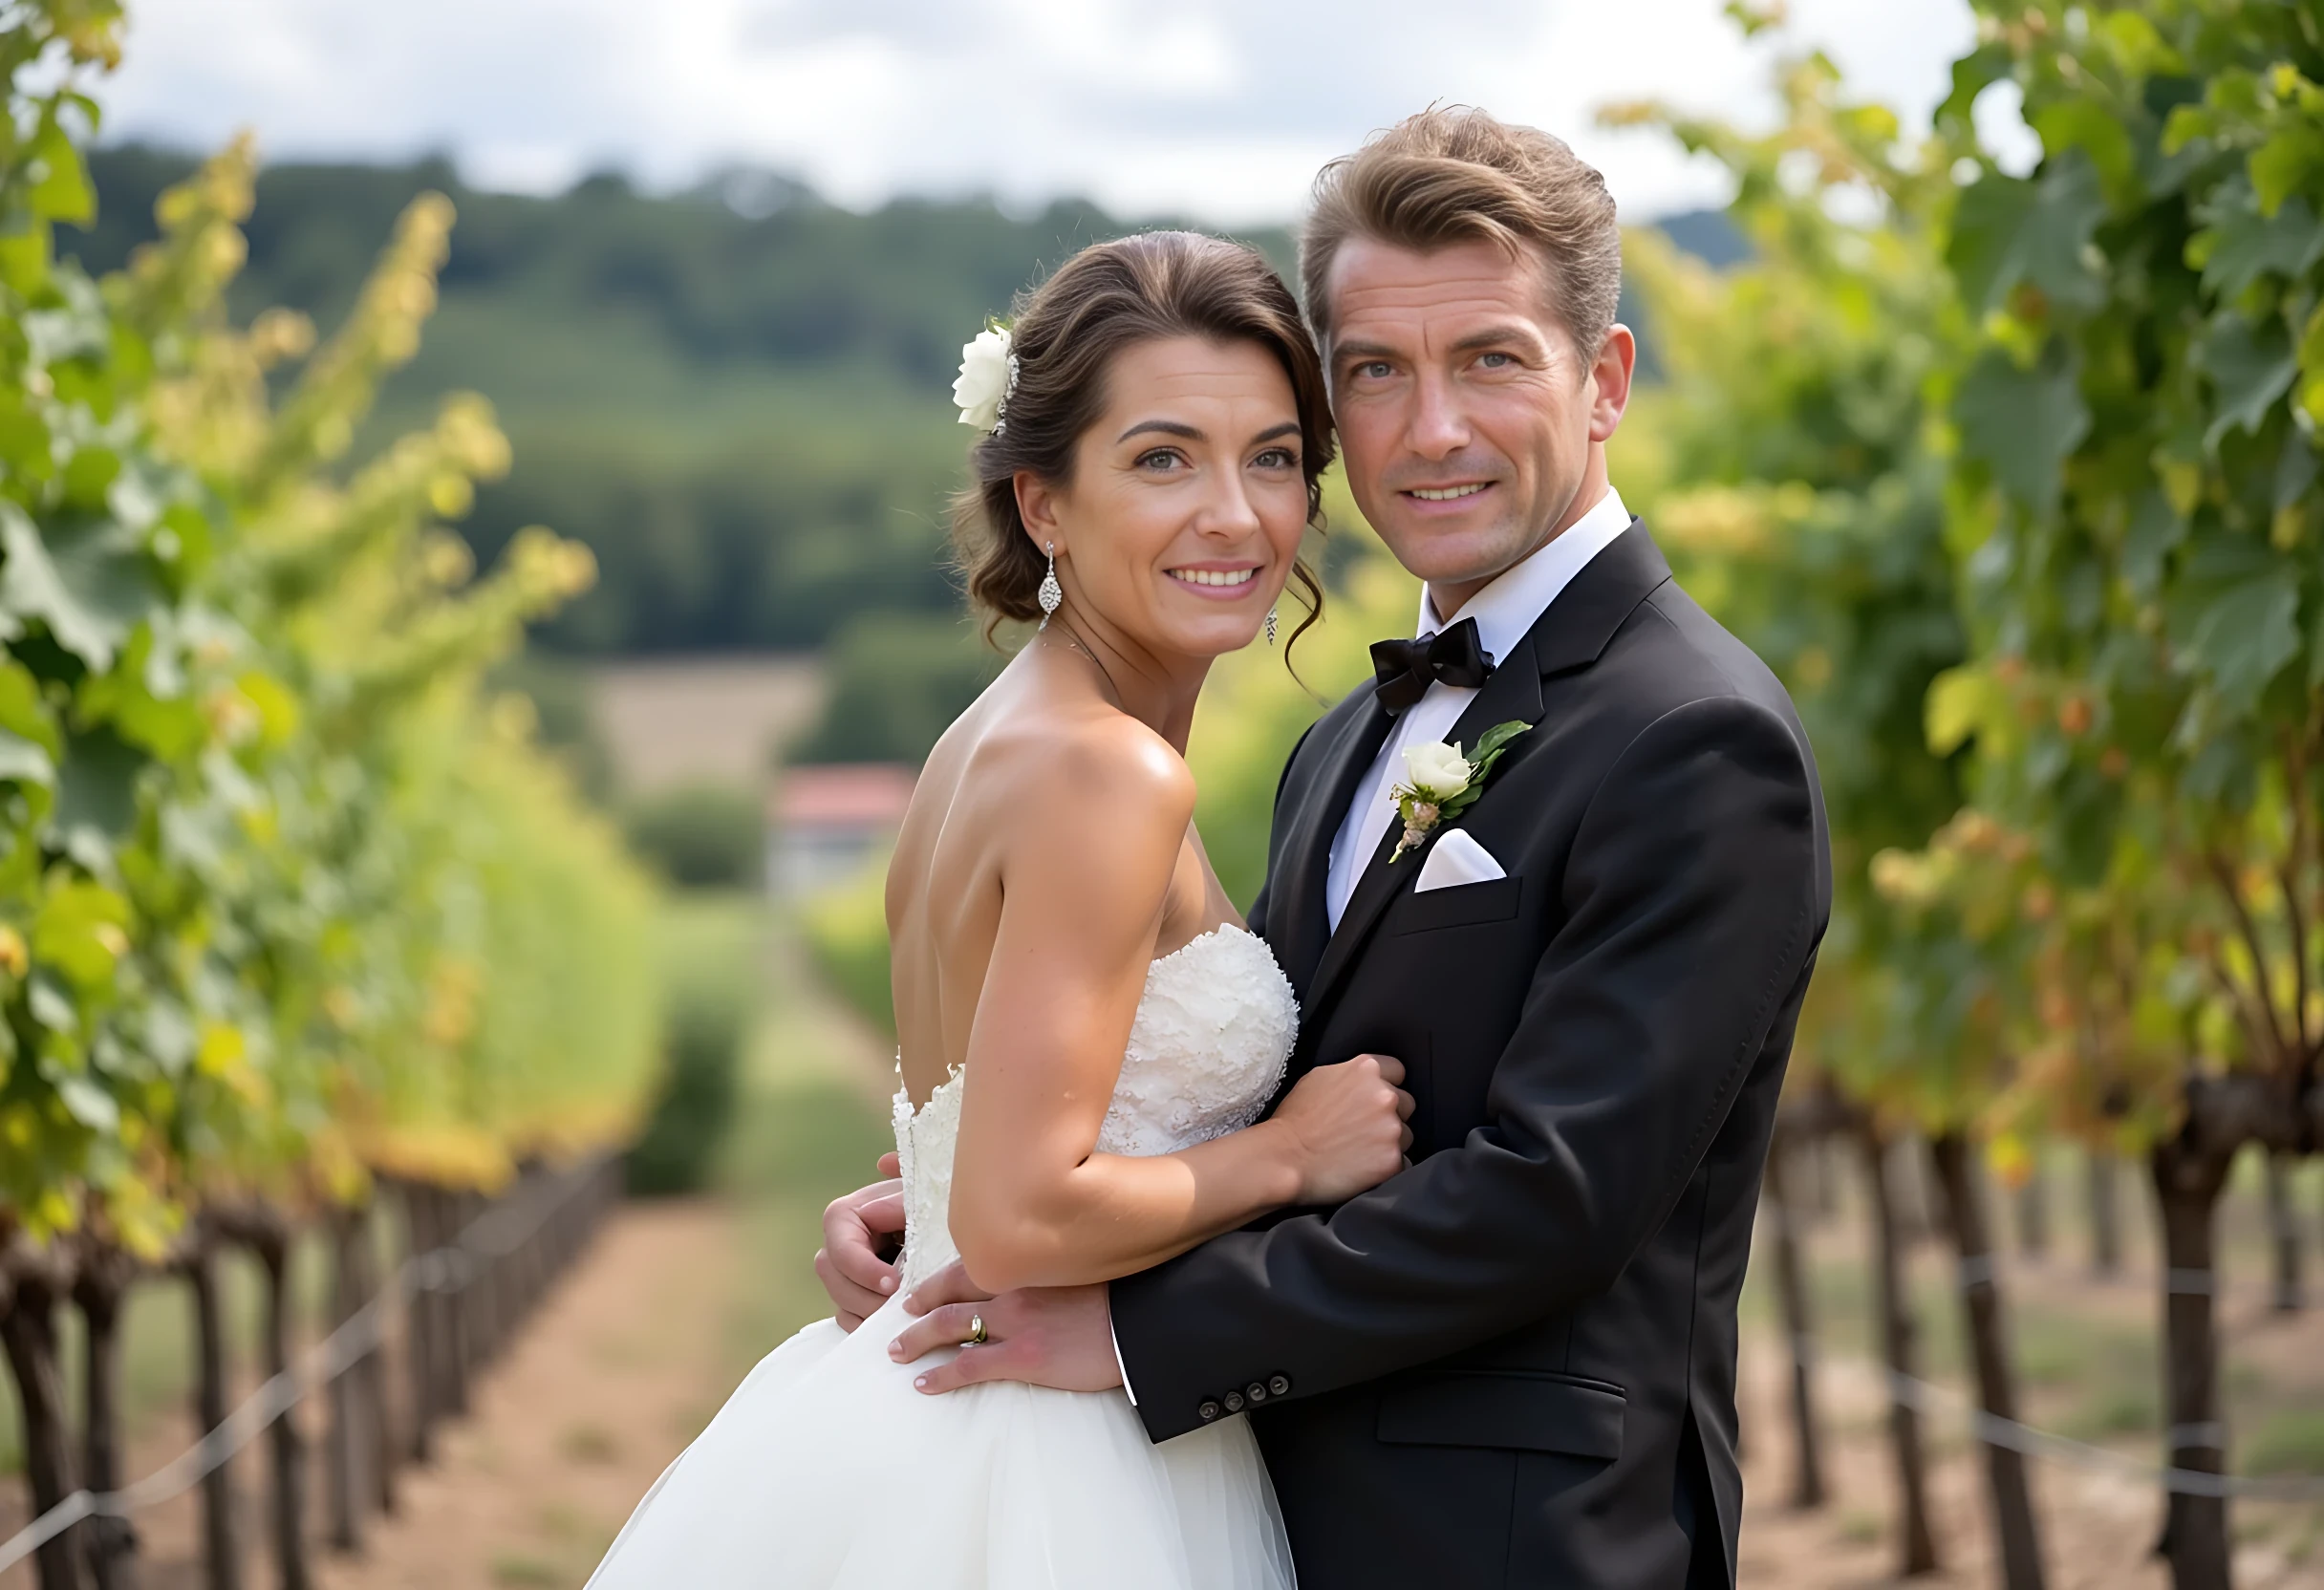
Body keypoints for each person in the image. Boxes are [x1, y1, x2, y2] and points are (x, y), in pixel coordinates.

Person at [820, 107, 1833, 1590]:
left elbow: (1551, 1200)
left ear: (1603, 381)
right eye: (1374, 372)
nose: (1429, 430)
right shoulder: (1338, 741)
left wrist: (1129, 1333)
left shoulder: (1697, 737)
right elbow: (1246, 1101)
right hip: (1253, 1510)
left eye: (1488, 358)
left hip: (1511, 1545)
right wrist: (957, 1200)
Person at [586, 229, 1417, 1590]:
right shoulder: (1108, 770)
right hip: (1049, 1453)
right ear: (1045, 504)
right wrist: (1291, 1157)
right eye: (1162, 459)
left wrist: (920, 1198)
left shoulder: (994, 739)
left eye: (1271, 456)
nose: (1236, 513)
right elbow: (1029, 1215)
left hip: (951, 1382)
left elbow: (992, 1115)